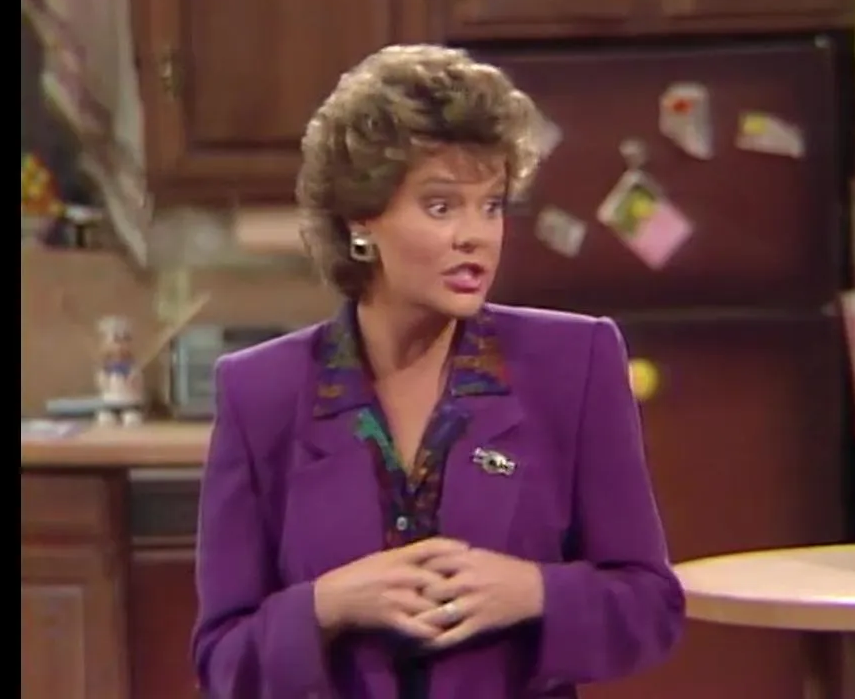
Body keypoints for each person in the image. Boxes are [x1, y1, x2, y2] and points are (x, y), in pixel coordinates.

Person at [191, 44, 685, 699]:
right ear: (362, 219)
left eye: (492, 205)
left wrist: (534, 590)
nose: (475, 235)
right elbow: (222, 662)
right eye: (441, 206)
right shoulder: (261, 393)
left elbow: (651, 607)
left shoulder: (574, 363)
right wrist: (329, 605)